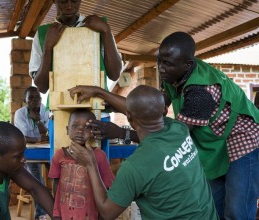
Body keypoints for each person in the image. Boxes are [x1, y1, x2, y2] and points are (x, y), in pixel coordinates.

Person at [69, 85, 218, 219]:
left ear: (128, 117)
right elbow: (144, 109)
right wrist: (98, 91)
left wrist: (91, 164)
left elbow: (107, 213)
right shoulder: (179, 129)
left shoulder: (134, 167)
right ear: (165, 110)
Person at [158, 32, 259, 219]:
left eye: (167, 63)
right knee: (212, 206)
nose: (161, 68)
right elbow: (159, 103)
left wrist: (126, 134)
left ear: (187, 64)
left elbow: (177, 136)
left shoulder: (200, 91)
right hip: (214, 143)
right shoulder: (175, 74)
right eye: (160, 61)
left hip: (242, 138)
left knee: (237, 210)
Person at [29, 0, 122, 93]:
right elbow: (42, 87)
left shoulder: (100, 27)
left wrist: (106, 31)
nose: (69, 6)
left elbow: (114, 75)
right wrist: (47, 48)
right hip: (58, 105)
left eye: (74, 1)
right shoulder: (43, 34)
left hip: (97, 104)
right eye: (63, 1)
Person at [48, 109, 114, 219]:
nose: (80, 131)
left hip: (90, 215)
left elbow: (108, 186)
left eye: (87, 127)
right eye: (75, 126)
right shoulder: (59, 155)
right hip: (65, 214)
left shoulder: (99, 156)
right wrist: (57, 211)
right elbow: (56, 184)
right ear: (67, 130)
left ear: (93, 131)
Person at [14, 86, 49, 220]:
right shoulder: (20, 114)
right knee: (37, 180)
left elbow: (48, 134)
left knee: (57, 175)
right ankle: (40, 214)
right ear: (25, 100)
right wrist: (39, 139)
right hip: (29, 153)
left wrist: (38, 120)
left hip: (46, 150)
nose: (35, 101)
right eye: (31, 98)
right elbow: (21, 137)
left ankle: (58, 209)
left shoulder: (45, 110)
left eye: (38, 98)